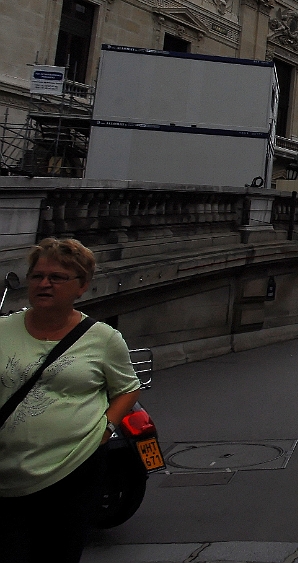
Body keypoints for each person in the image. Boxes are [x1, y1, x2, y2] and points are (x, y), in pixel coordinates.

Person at [0, 238, 142, 563]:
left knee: (58, 554)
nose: (44, 284)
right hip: (7, 474)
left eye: (57, 277)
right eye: (37, 276)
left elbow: (127, 388)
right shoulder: (3, 331)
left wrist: (105, 430)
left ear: (82, 286)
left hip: (74, 470)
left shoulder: (103, 338)